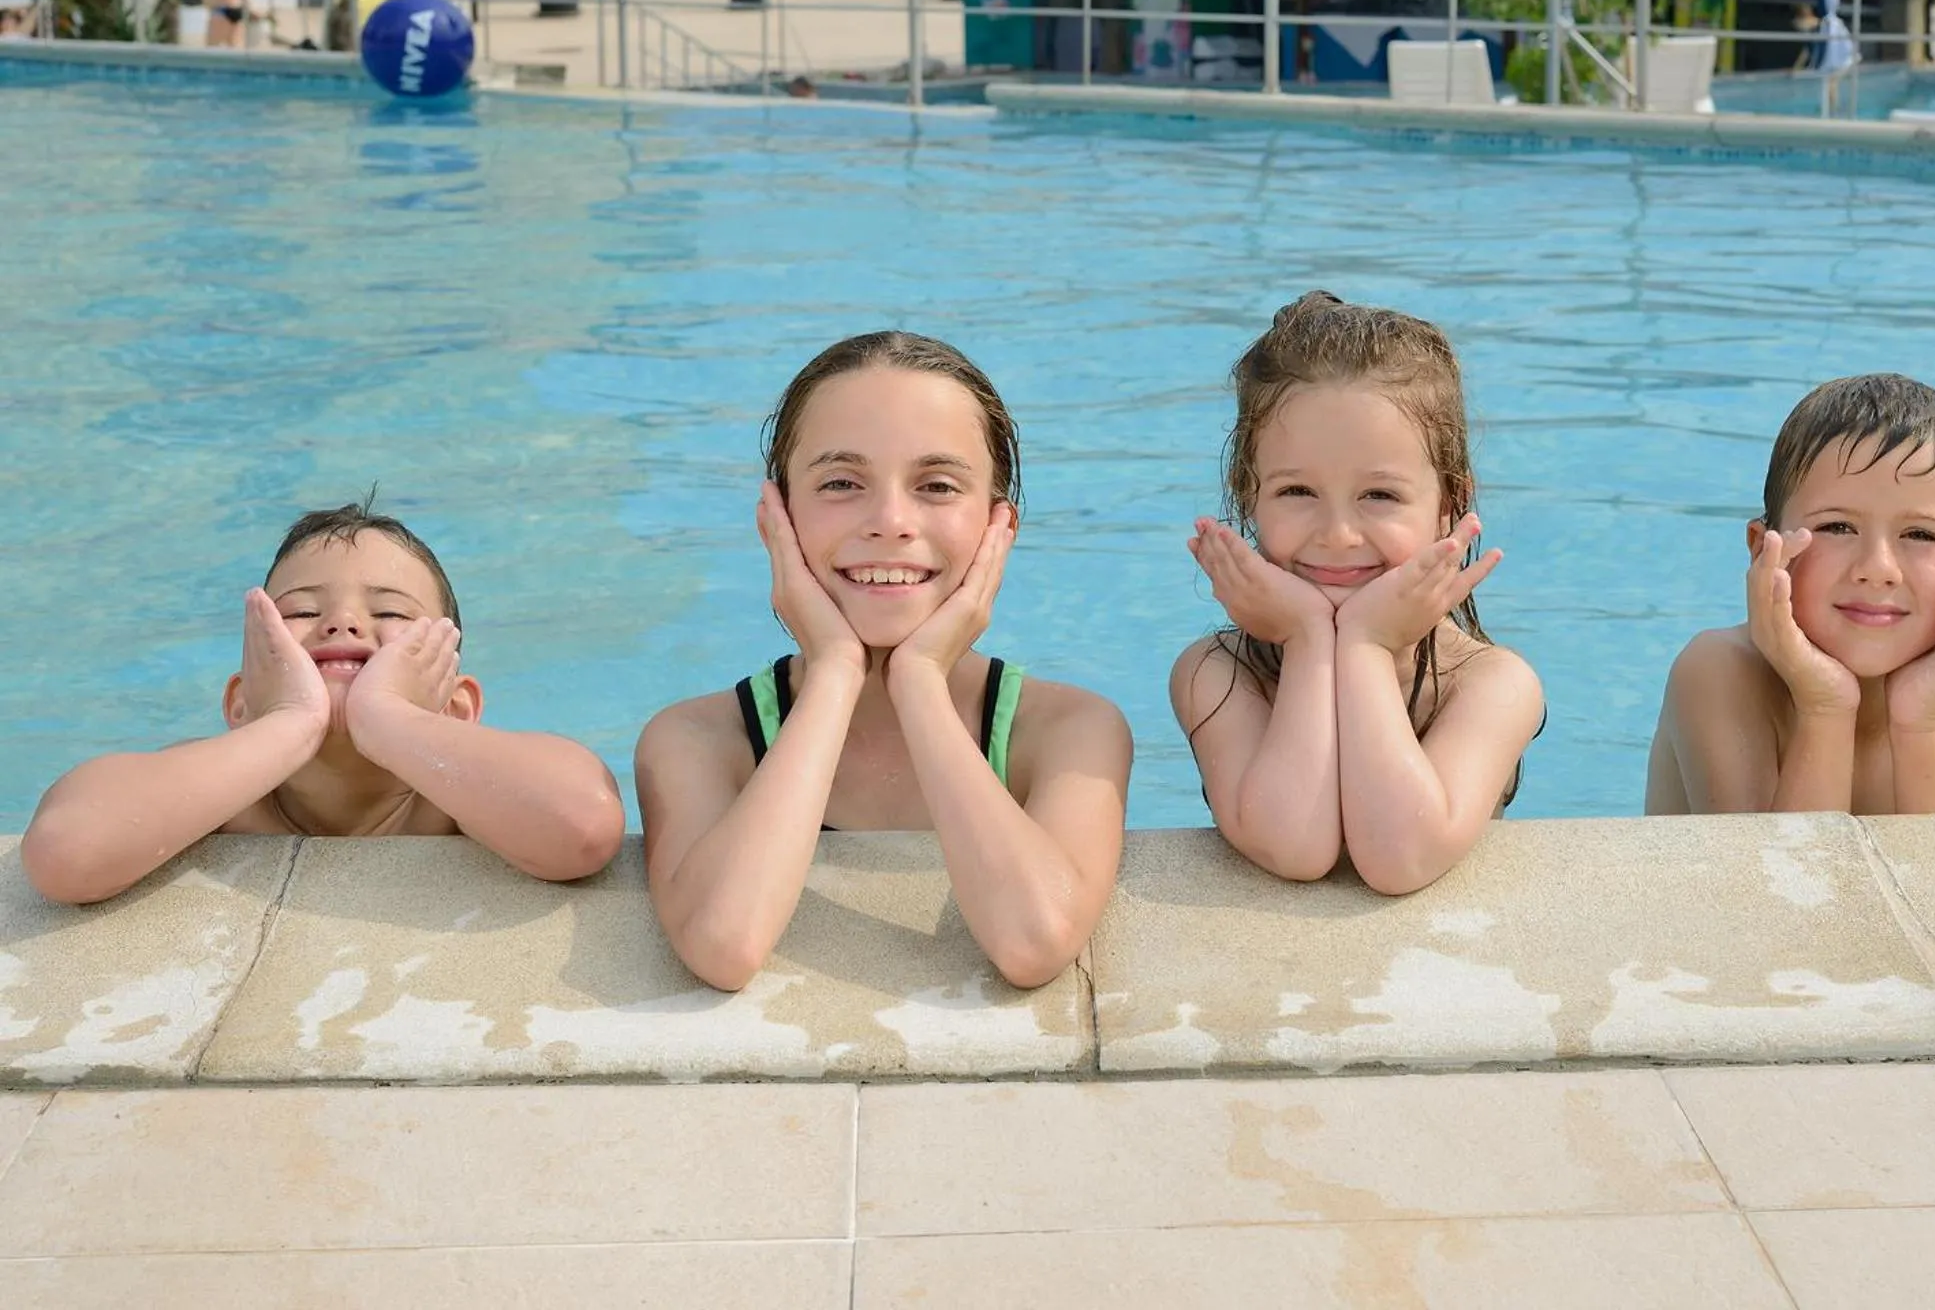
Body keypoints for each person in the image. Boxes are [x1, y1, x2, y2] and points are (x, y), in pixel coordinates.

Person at [636, 332, 1131, 992]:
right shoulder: (695, 741)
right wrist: (836, 670)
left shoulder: (1069, 732)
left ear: (997, 529)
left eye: (936, 485)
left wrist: (919, 681)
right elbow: (725, 943)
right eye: (842, 482)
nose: (891, 520)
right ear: (776, 518)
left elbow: (1034, 941)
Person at [22, 499, 625, 904]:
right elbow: (65, 852)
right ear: (240, 705)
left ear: (457, 709)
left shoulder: (461, 801)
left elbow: (582, 826)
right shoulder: (218, 796)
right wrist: (289, 724)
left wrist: (390, 718)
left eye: (389, 613)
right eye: (301, 613)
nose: (341, 624)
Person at [1169, 292, 1544, 892]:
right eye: (1297, 492)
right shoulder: (1216, 673)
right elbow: (1294, 844)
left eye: (1381, 496)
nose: (1339, 536)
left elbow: (1403, 857)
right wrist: (1311, 637)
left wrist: (1364, 644)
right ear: (1248, 496)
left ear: (1450, 504)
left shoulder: (1493, 684)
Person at [1646, 374, 1935, 816]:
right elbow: (1769, 881)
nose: (1878, 569)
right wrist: (1824, 708)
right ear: (1760, 549)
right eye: (1837, 527)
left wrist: (1924, 725)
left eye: (1920, 534)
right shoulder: (1719, 672)